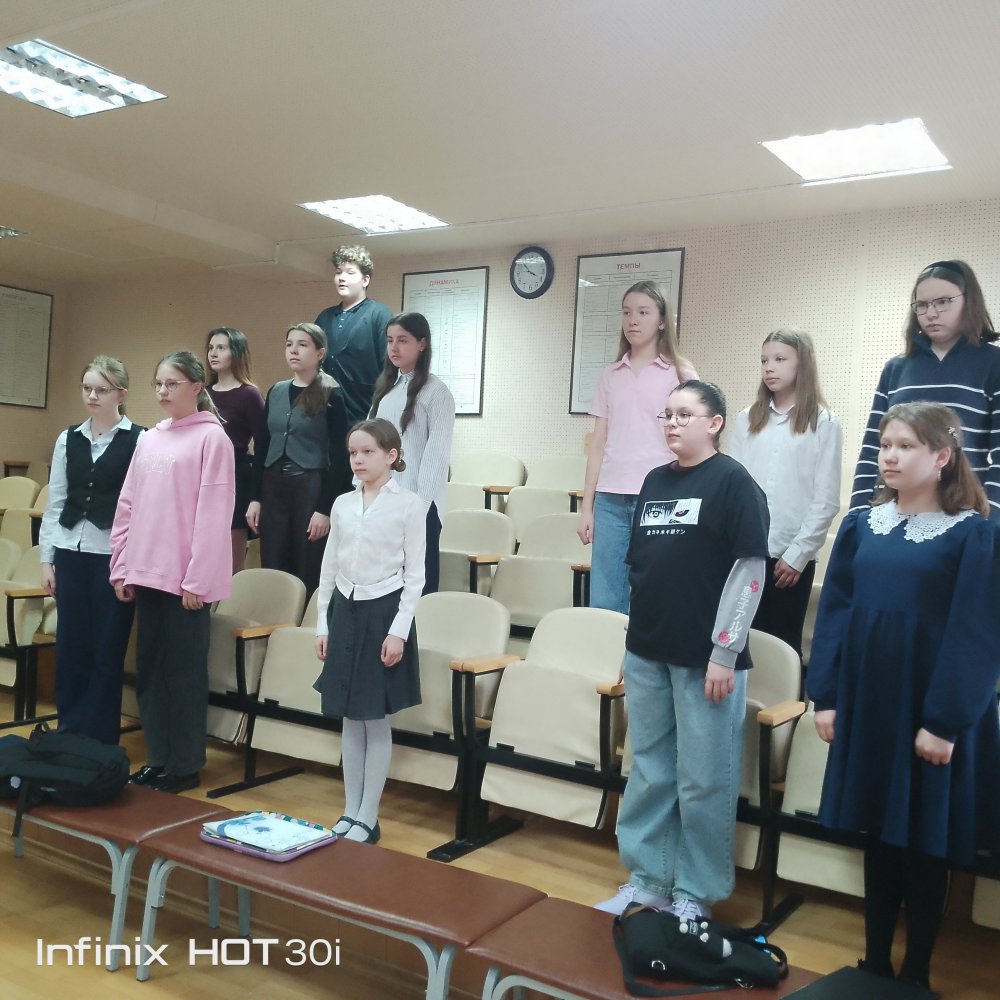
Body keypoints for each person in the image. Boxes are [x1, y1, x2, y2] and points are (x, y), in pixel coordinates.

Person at [809, 401, 1000, 992]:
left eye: (905, 446)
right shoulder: (862, 525)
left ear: (941, 457)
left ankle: (916, 971)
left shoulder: (974, 534)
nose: (889, 456)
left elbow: (977, 632)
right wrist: (827, 696)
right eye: (886, 445)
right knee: (880, 833)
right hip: (871, 704)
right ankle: (874, 962)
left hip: (931, 707)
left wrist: (944, 721)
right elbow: (835, 613)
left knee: (924, 841)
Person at [596, 380, 769, 919]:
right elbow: (641, 571)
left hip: (706, 660)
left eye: (684, 414)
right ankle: (649, 879)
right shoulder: (654, 481)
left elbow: (749, 574)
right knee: (649, 771)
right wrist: (631, 642)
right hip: (648, 650)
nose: (672, 422)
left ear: (714, 423)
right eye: (667, 414)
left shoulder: (735, 483)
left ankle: (695, 892)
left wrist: (724, 652)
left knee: (703, 780)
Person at [110, 351, 235, 793]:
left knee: (183, 675)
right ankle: (158, 758)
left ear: (197, 387)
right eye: (158, 384)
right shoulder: (150, 438)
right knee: (151, 672)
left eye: (172, 383)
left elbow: (214, 514)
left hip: (185, 582)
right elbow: (128, 504)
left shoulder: (212, 438)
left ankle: (184, 765)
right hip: (145, 573)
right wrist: (120, 565)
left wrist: (198, 579)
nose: (163, 391)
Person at [313, 418, 425, 844]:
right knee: (349, 714)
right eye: (352, 453)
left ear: (391, 456)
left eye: (367, 452)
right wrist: (322, 623)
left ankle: (369, 816)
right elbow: (329, 567)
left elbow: (415, 576)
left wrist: (399, 631)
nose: (358, 460)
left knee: (373, 716)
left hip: (384, 612)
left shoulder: (409, 505)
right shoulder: (342, 503)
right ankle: (349, 810)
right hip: (345, 608)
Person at [38, 356, 143, 745]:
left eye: (101, 389)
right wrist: (46, 560)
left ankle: (98, 740)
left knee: (106, 649)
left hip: (111, 558)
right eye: (87, 388)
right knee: (71, 647)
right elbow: (56, 502)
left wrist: (128, 565)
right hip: (70, 552)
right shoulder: (68, 438)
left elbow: (140, 509)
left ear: (121, 394)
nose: (92, 396)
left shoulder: (139, 440)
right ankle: (69, 731)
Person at [577, 280, 697, 614]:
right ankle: (606, 650)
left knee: (657, 590)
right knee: (605, 596)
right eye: (627, 312)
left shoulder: (680, 373)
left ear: (662, 321)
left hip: (662, 496)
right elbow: (598, 444)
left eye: (643, 312)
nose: (633, 320)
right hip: (610, 498)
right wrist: (587, 508)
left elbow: (693, 442)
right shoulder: (610, 376)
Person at [851, 259, 1000, 519]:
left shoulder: (993, 363)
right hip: (893, 512)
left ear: (968, 301)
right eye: (922, 305)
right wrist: (857, 514)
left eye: (943, 302)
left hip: (964, 513)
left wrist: (992, 521)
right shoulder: (896, 368)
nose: (931, 313)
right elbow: (872, 448)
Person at [729, 330, 842, 659]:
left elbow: (826, 500)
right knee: (739, 645)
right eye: (764, 360)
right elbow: (733, 489)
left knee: (781, 650)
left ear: (802, 363)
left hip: (790, 559)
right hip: (747, 552)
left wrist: (798, 554)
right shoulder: (746, 419)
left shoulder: (824, 423)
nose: (769, 367)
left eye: (779, 359)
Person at [246, 323, 351, 595]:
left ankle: (306, 617)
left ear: (320, 353)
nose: (293, 350)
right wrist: (255, 498)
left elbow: (340, 456)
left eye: (302, 345)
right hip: (273, 486)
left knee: (307, 562)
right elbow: (262, 446)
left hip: (309, 486)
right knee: (273, 559)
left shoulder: (331, 392)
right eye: (289, 344)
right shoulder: (276, 391)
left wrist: (325, 509)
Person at [369, 312, 455, 593]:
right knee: (384, 584)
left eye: (402, 340)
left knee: (417, 587)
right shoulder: (386, 390)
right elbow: (369, 445)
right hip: (383, 501)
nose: (394, 348)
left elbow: (436, 456)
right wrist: (362, 490)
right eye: (390, 340)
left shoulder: (436, 392)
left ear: (422, 343)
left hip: (419, 506)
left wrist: (419, 506)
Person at [206, 327, 265, 574]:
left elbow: (263, 445)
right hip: (203, 475)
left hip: (235, 475)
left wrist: (256, 497)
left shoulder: (249, 394)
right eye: (211, 348)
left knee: (232, 562)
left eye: (221, 348)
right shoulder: (202, 394)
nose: (213, 353)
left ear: (237, 353)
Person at [315, 245, 394, 424]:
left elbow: (389, 367)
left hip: (365, 414)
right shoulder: (325, 317)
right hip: (326, 415)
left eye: (350, 272)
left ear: (365, 280)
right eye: (338, 272)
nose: (342, 278)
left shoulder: (379, 314)